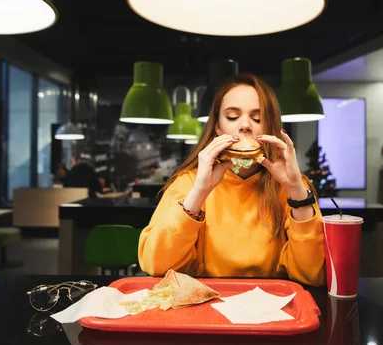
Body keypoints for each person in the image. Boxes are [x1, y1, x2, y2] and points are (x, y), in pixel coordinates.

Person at [138, 74, 325, 286]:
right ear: (217, 127)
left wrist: (295, 190)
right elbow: (155, 265)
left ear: (270, 128)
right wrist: (200, 191)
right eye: (232, 117)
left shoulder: (291, 186)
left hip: (272, 306)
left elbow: (313, 275)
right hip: (205, 306)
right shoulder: (189, 183)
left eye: (257, 118)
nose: (245, 125)